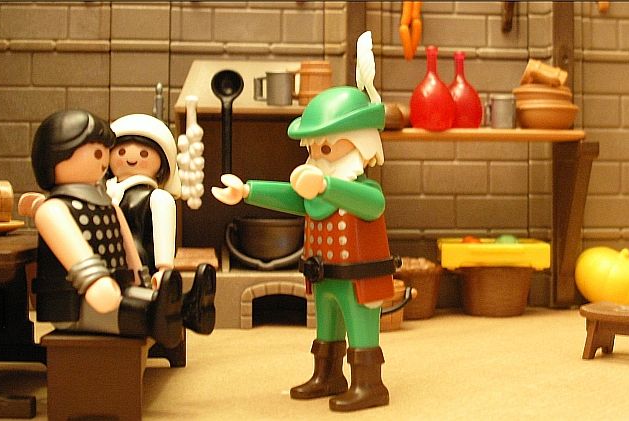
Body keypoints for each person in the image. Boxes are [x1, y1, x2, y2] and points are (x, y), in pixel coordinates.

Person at [212, 85, 396, 412]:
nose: (317, 156)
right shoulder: (316, 192)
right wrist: (247, 191)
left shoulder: (363, 191)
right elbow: (291, 196)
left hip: (359, 279)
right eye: (312, 148)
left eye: (325, 147)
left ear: (360, 143)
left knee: (361, 330)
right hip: (323, 275)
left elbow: (373, 204)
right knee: (326, 329)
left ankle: (369, 384)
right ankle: (327, 375)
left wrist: (325, 184)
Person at [29, 109, 204, 347]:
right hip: (73, 302)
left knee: (149, 302)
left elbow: (127, 247)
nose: (102, 158)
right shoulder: (54, 209)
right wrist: (94, 280)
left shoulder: (105, 204)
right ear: (56, 156)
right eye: (97, 152)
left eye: (103, 152)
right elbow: (76, 253)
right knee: (145, 312)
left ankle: (188, 308)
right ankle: (172, 316)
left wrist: (141, 278)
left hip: (115, 289)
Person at [107, 114, 215, 334]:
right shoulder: (107, 193)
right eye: (121, 151)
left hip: (138, 267)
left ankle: (177, 307)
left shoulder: (157, 198)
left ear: (162, 164)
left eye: (144, 153)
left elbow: (163, 235)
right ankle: (186, 306)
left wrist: (164, 270)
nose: (130, 158)